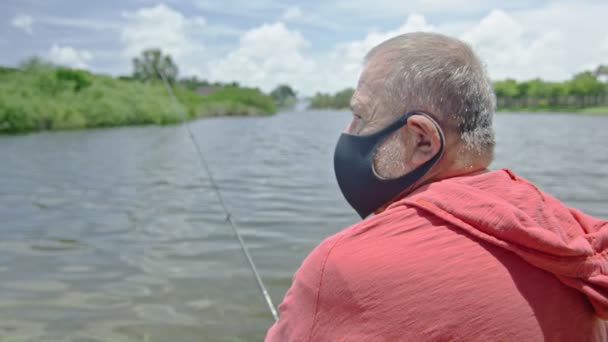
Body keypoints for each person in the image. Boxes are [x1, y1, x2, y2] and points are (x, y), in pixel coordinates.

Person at [265, 32, 608, 341]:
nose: (348, 131)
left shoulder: (338, 268)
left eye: (360, 116)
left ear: (421, 141)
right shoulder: (573, 236)